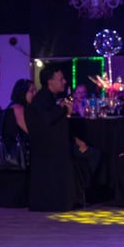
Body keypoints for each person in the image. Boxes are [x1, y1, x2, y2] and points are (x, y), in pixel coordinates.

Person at [27, 64, 78, 211]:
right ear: (50, 81)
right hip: (47, 149)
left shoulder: (48, 97)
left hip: (49, 148)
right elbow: (48, 118)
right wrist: (63, 108)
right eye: (61, 79)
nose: (64, 81)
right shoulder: (42, 98)